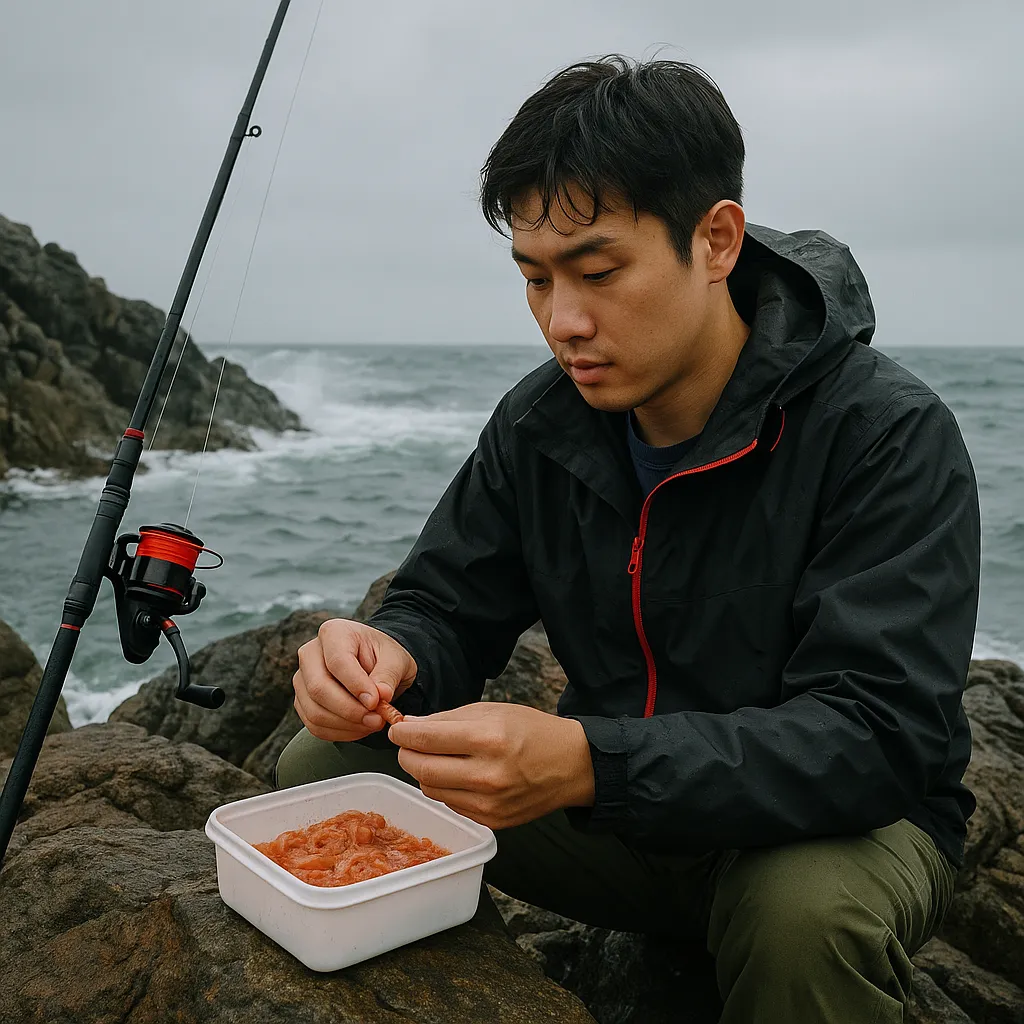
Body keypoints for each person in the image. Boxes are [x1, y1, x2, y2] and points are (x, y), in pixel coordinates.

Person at [276, 56, 980, 1022]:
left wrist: (589, 764)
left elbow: (877, 739)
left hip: (834, 830)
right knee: (324, 770)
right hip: (627, 819)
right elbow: (446, 603)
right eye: (534, 278)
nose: (563, 322)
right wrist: (387, 657)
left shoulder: (887, 433)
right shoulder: (541, 424)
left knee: (801, 920)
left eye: (599, 272)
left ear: (717, 240)